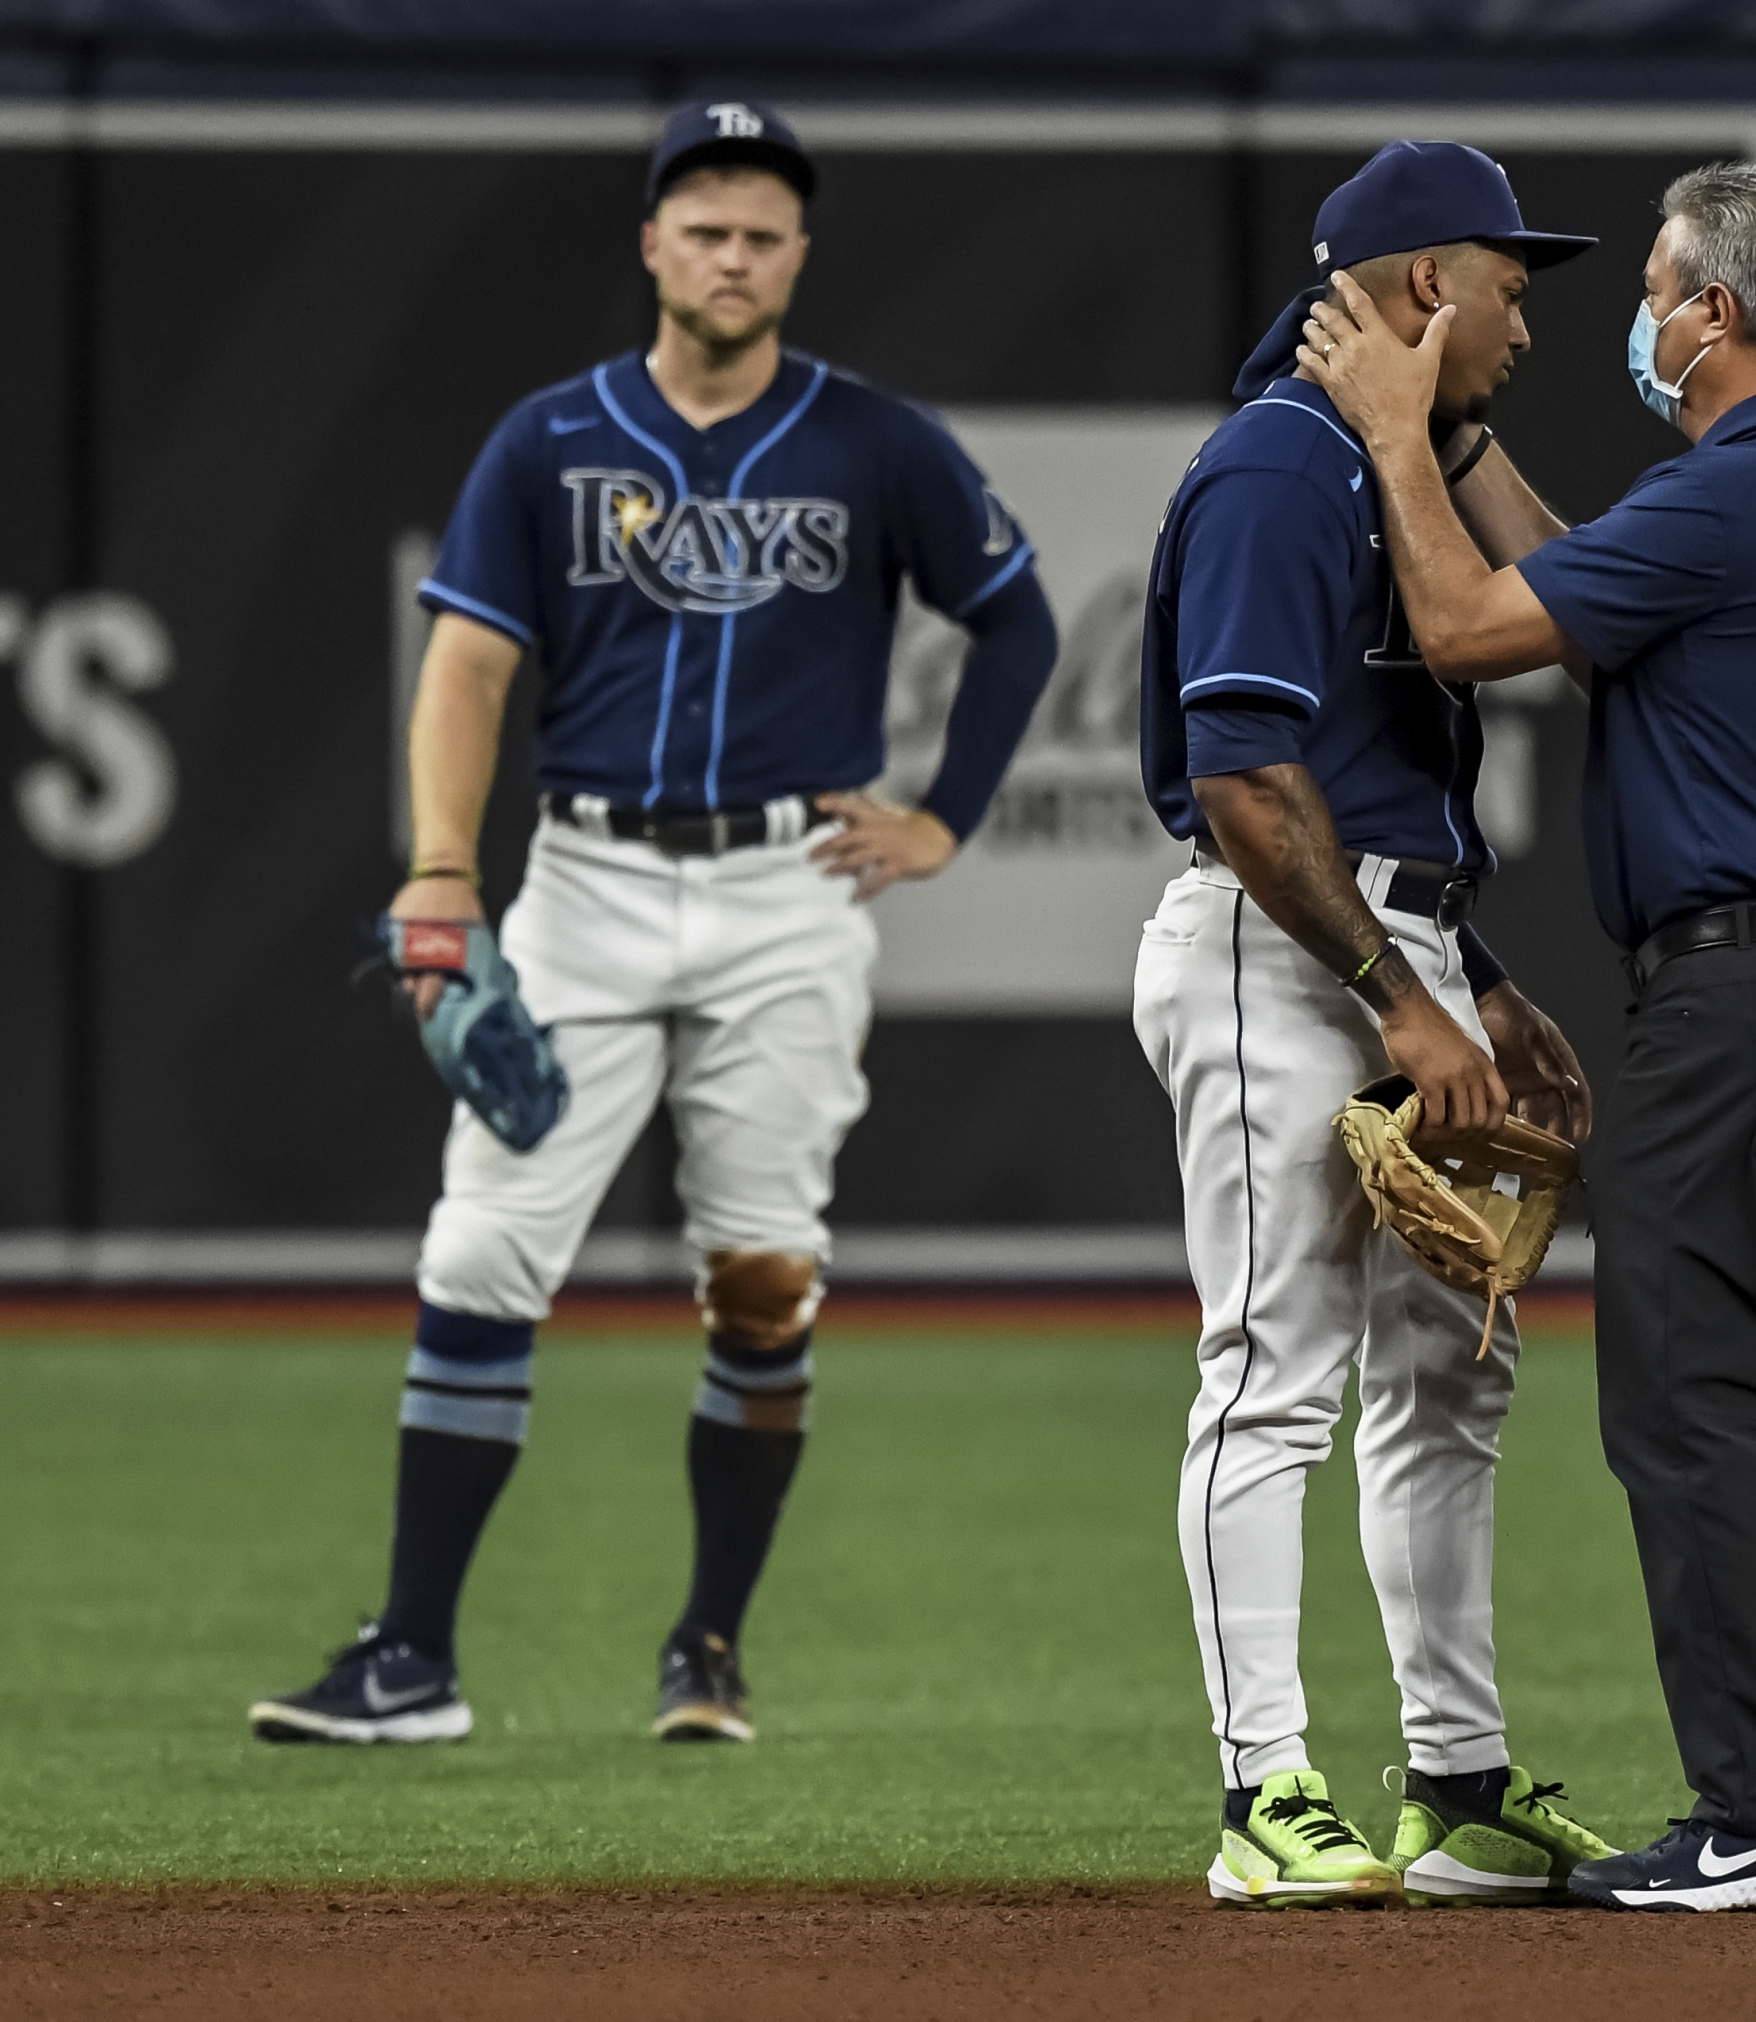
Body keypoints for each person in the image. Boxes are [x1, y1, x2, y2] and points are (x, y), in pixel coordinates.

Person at [250, 102, 1058, 1748]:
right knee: (481, 1243)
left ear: (798, 257)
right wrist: (438, 872)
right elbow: (467, 669)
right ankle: (410, 1655)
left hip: (788, 891)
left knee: (762, 1281)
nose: (736, 256)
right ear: (652, 246)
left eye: (764, 232)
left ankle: (708, 1642)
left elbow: (1019, 618)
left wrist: (946, 816)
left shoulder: (874, 441)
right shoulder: (550, 439)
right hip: (590, 883)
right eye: (707, 228)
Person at [1293, 159, 1756, 1913]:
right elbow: (1598, 603)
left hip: (1748, 1008)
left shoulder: (1742, 493)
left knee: (1695, 1402)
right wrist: (1455, 445)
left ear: (1717, 314)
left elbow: (1459, 631)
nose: (1642, 324)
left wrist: (1383, 428)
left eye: (1662, 291)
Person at [1131, 141, 1621, 1911]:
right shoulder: (1280, 464)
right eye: (1505, 282)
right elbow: (1249, 782)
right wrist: (1402, 1000)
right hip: (1280, 950)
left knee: (1450, 1375)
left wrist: (1472, 978)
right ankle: (1267, 1789)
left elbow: (1542, 645)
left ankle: (1457, 1784)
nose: (1523, 319)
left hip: (1393, 938)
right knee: (1272, 1374)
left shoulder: (1384, 455)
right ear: (1425, 284)